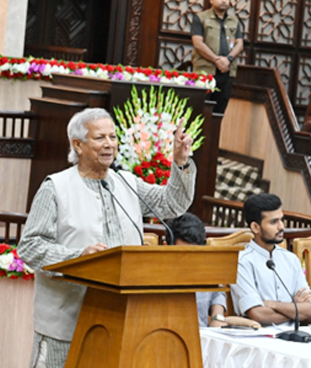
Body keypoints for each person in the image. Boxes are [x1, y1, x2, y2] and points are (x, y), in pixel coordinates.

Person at [17, 107, 196, 368]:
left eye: (113, 137)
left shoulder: (126, 182)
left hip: (119, 318)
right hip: (67, 320)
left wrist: (180, 162)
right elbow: (30, 247)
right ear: (77, 144)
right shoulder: (56, 187)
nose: (109, 144)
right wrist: (79, 257)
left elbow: (172, 204)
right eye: (100, 138)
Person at [229, 193, 311, 326]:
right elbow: (257, 314)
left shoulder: (291, 259)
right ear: (255, 227)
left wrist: (272, 305)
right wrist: (294, 309)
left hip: (295, 334)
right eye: (273, 222)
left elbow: (310, 310)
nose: (281, 226)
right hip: (260, 337)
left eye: (281, 220)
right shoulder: (241, 262)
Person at [166, 213, 261, 329]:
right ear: (166, 246)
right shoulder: (153, 273)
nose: (190, 260)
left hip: (204, 336)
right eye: (183, 253)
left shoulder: (206, 266)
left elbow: (217, 292)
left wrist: (217, 317)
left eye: (195, 253)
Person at [191, 0, 244, 114]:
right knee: (200, 109)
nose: (224, 1)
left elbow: (240, 44)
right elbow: (198, 43)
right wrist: (216, 60)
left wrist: (228, 59)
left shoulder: (234, 21)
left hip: (227, 72)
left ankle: (214, 134)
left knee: (219, 111)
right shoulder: (200, 18)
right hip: (206, 71)